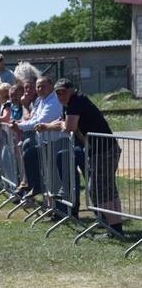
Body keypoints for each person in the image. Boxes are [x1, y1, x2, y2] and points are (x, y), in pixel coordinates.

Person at [38, 78, 123, 231]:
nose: (60, 96)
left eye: (63, 92)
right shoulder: (70, 105)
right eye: (57, 93)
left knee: (100, 190)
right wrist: (48, 126)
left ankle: (115, 228)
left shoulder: (76, 103)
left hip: (103, 151)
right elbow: (62, 122)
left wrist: (60, 125)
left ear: (72, 90)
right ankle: (115, 227)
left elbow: (69, 126)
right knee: (105, 190)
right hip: (100, 151)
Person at [9, 75, 62, 199]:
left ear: (51, 86)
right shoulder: (41, 100)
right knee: (30, 154)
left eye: (42, 86)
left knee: (55, 176)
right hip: (45, 141)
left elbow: (40, 121)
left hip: (57, 141)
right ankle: (35, 186)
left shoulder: (54, 101)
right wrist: (21, 124)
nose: (39, 89)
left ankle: (57, 206)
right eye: (38, 87)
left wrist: (20, 126)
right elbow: (33, 118)